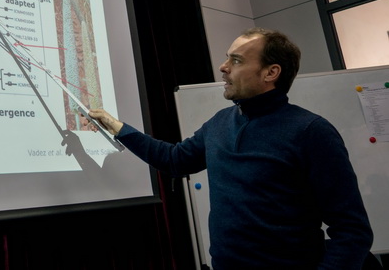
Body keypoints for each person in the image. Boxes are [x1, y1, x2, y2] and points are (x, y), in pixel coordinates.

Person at [88, 28, 373, 270]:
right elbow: (175, 160)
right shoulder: (220, 122)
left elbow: (352, 231)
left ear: (271, 72)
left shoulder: (311, 132)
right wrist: (119, 128)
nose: (223, 67)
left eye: (236, 60)